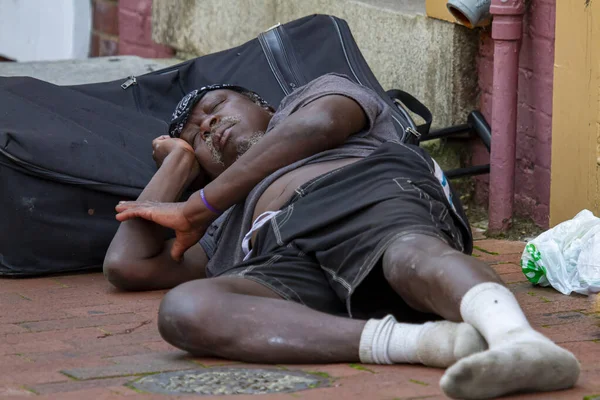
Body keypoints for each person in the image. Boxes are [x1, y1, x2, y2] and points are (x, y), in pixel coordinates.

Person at [103, 74, 580, 399]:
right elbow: (128, 265)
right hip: (286, 256)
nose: (209, 125)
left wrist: (198, 203)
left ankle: (519, 341)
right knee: (186, 309)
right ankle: (439, 345)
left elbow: (321, 124)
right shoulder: (224, 224)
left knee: (404, 254)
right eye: (197, 136)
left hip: (362, 191)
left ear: (265, 105)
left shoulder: (310, 99)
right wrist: (178, 162)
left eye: (216, 107)